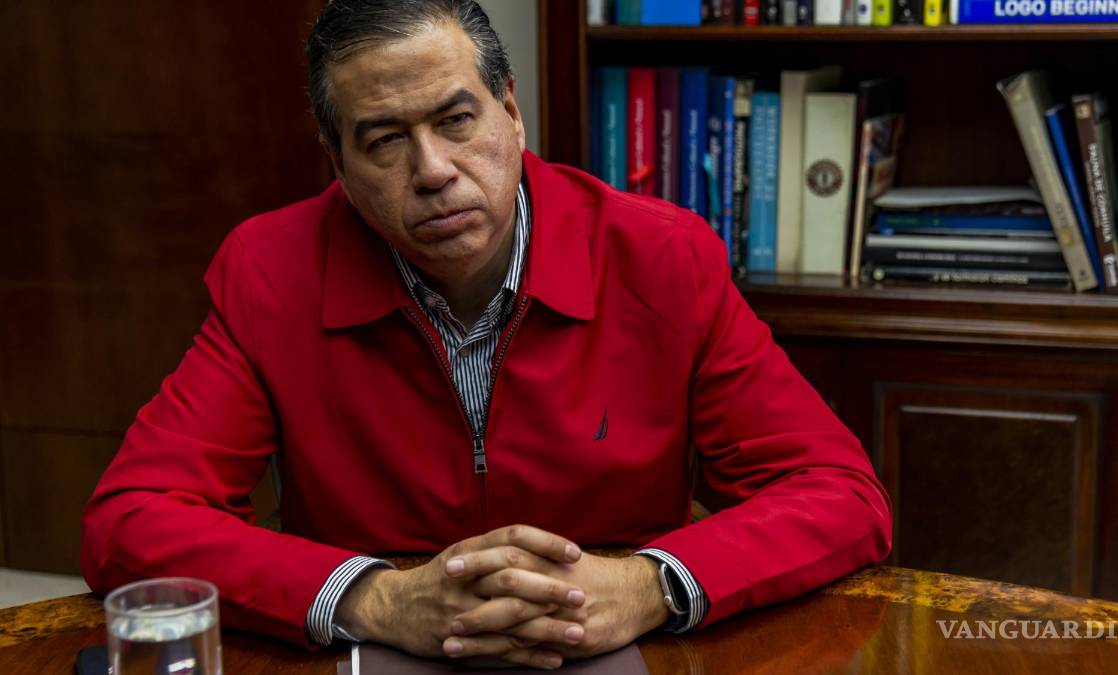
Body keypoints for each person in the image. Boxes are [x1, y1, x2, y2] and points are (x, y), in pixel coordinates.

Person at [81, 0, 892, 669]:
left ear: (510, 112)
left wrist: (648, 585)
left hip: (609, 642)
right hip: (379, 646)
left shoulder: (660, 257)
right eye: (384, 140)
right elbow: (131, 519)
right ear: (337, 162)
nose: (433, 170)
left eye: (456, 119)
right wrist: (375, 597)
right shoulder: (269, 271)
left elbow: (840, 493)